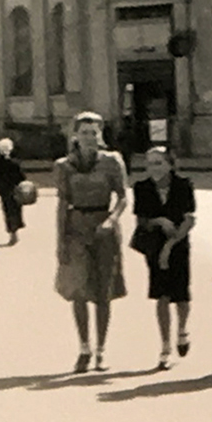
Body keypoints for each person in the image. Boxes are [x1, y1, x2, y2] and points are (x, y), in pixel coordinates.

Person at [53, 112, 128, 372]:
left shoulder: (112, 161)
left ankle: (101, 350)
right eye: (84, 132)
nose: (89, 137)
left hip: (104, 228)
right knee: (79, 290)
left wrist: (113, 219)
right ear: (75, 135)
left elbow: (122, 196)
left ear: (101, 134)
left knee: (103, 291)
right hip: (76, 228)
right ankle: (83, 347)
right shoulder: (64, 165)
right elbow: (62, 203)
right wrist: (60, 241)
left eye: (94, 132)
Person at [130, 148, 196, 370]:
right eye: (150, 163)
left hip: (179, 243)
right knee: (161, 295)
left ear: (169, 164)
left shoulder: (183, 184)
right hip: (154, 245)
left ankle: (182, 331)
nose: (154, 168)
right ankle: (165, 346)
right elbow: (142, 221)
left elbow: (189, 219)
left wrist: (171, 244)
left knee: (182, 294)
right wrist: (159, 221)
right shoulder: (142, 187)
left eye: (158, 163)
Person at [0, 138, 28, 246]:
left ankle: (12, 233)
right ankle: (15, 232)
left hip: (5, 191)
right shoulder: (15, 163)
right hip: (15, 190)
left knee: (7, 211)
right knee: (16, 211)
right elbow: (22, 178)